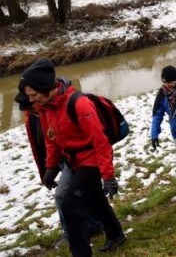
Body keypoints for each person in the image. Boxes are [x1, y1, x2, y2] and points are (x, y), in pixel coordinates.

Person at [20, 58, 125, 256]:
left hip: (91, 161)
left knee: (70, 203)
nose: (31, 100)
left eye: (33, 95)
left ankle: (80, 252)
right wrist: (50, 168)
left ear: (45, 88)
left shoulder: (80, 104)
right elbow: (51, 140)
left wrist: (108, 175)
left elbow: (101, 141)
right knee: (95, 200)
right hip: (74, 161)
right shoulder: (46, 109)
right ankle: (116, 234)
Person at [15, 88, 103, 250]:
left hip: (76, 158)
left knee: (63, 197)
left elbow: (93, 137)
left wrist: (107, 173)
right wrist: (49, 169)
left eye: (33, 102)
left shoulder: (60, 106)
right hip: (62, 161)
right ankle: (96, 226)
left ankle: (73, 235)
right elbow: (43, 144)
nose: (33, 107)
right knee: (87, 195)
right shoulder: (34, 116)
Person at [150, 66, 176, 203]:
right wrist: (154, 133)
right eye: (165, 82)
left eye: (171, 82)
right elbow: (157, 114)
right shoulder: (162, 94)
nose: (168, 85)